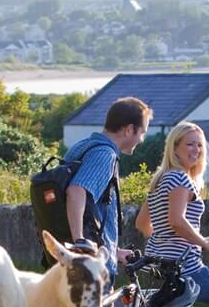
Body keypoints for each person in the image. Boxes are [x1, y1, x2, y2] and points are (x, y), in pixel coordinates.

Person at [134, 121, 209, 307]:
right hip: (184, 265)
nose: (196, 150)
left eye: (199, 146)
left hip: (159, 263)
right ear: (175, 148)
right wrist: (205, 242)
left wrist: (164, 240)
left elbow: (142, 224)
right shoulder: (180, 178)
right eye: (190, 144)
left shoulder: (159, 179)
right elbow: (177, 221)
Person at [61, 96, 153, 277]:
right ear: (129, 129)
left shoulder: (83, 146)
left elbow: (93, 212)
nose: (141, 139)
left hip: (80, 261)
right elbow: (76, 191)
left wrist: (115, 251)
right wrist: (80, 243)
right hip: (93, 268)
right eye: (142, 132)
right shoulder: (105, 155)